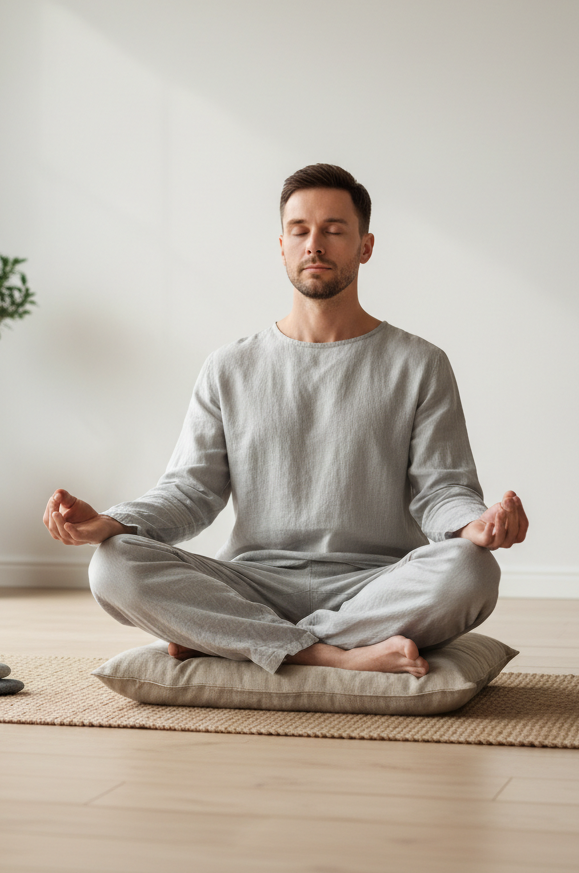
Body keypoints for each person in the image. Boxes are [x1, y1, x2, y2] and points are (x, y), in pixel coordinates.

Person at [43, 164, 528, 677]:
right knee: (114, 564)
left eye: (334, 230)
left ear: (364, 246)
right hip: (253, 582)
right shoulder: (228, 367)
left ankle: (233, 638)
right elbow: (190, 491)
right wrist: (111, 523)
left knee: (471, 570)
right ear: (282, 245)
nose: (314, 244)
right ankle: (332, 654)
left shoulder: (420, 363)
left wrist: (474, 524)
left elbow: (441, 490)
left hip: (374, 585)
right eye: (300, 230)